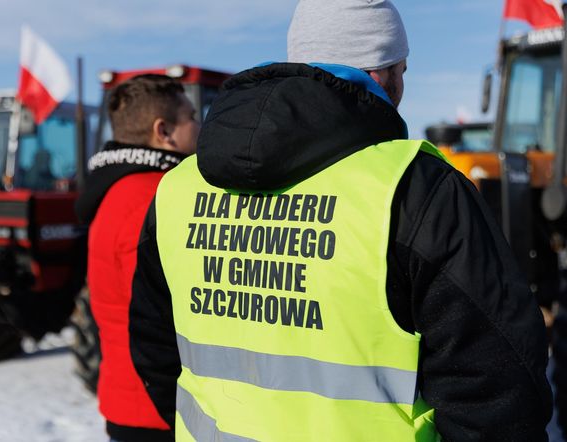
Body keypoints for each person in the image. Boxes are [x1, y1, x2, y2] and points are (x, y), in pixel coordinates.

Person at [129, 1, 553, 440]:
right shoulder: (414, 188)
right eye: (401, 70)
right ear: (381, 73)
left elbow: (155, 349)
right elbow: (496, 389)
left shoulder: (178, 190)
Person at [74, 74, 199, 441]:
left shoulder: (113, 191)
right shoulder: (158, 199)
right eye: (192, 117)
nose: (200, 127)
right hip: (161, 413)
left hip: (127, 402)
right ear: (164, 131)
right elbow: (162, 319)